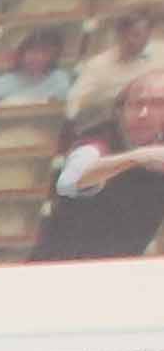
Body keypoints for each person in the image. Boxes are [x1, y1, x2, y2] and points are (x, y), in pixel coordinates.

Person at [36, 69, 164, 252]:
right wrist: (138, 157)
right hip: (66, 261)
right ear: (121, 111)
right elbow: (70, 181)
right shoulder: (98, 139)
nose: (144, 113)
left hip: (125, 263)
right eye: (136, 104)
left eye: (158, 104)